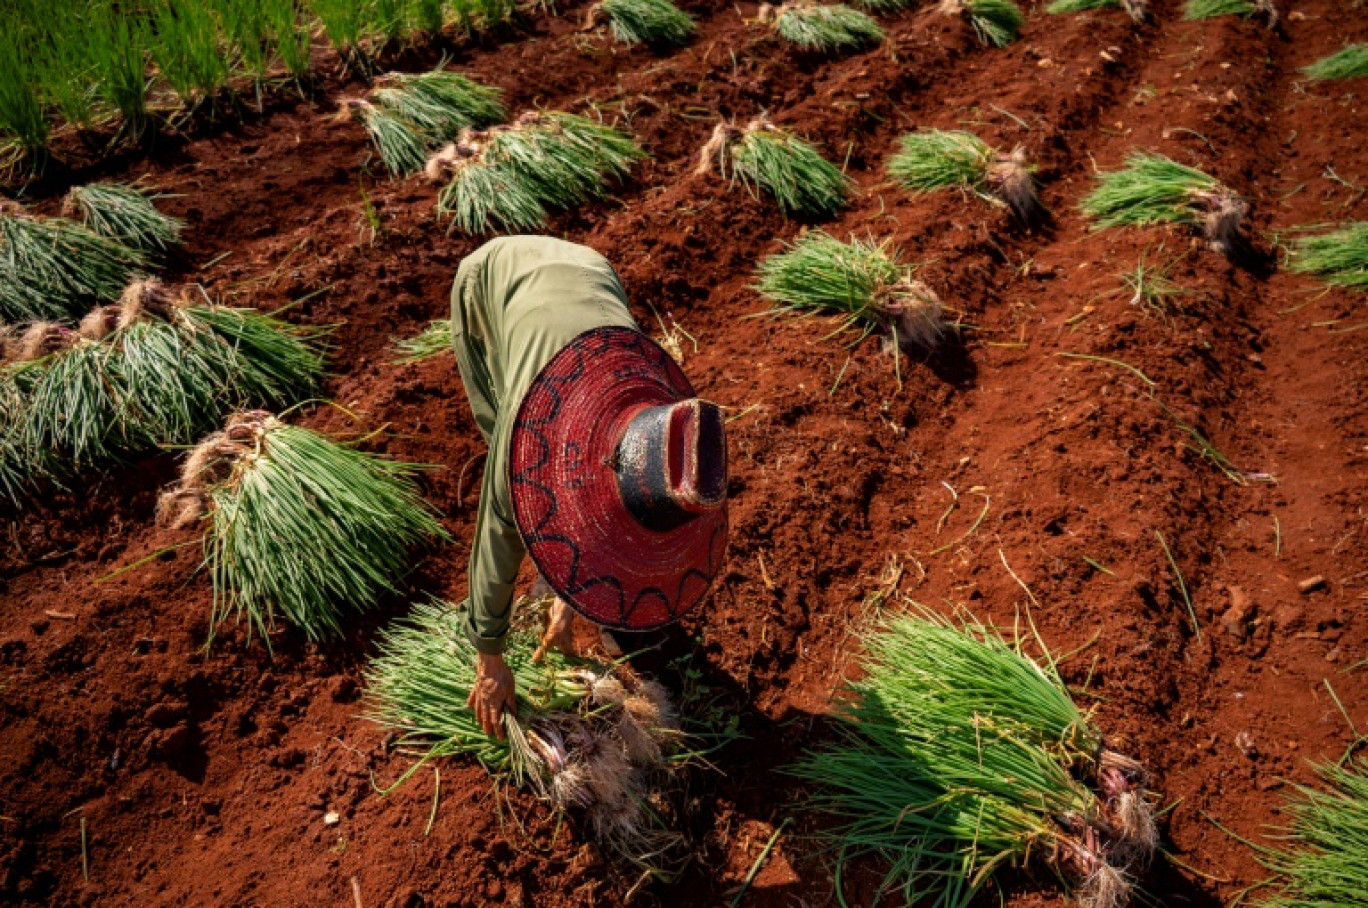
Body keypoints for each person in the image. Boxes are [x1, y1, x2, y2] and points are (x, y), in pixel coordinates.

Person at [449, 236, 729, 739]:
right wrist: (489, 658)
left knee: (570, 502)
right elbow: (494, 543)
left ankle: (556, 575)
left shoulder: (659, 416)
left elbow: (613, 514)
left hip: (592, 272)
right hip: (494, 278)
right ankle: (535, 526)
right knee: (506, 455)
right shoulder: (528, 440)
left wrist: (571, 594)